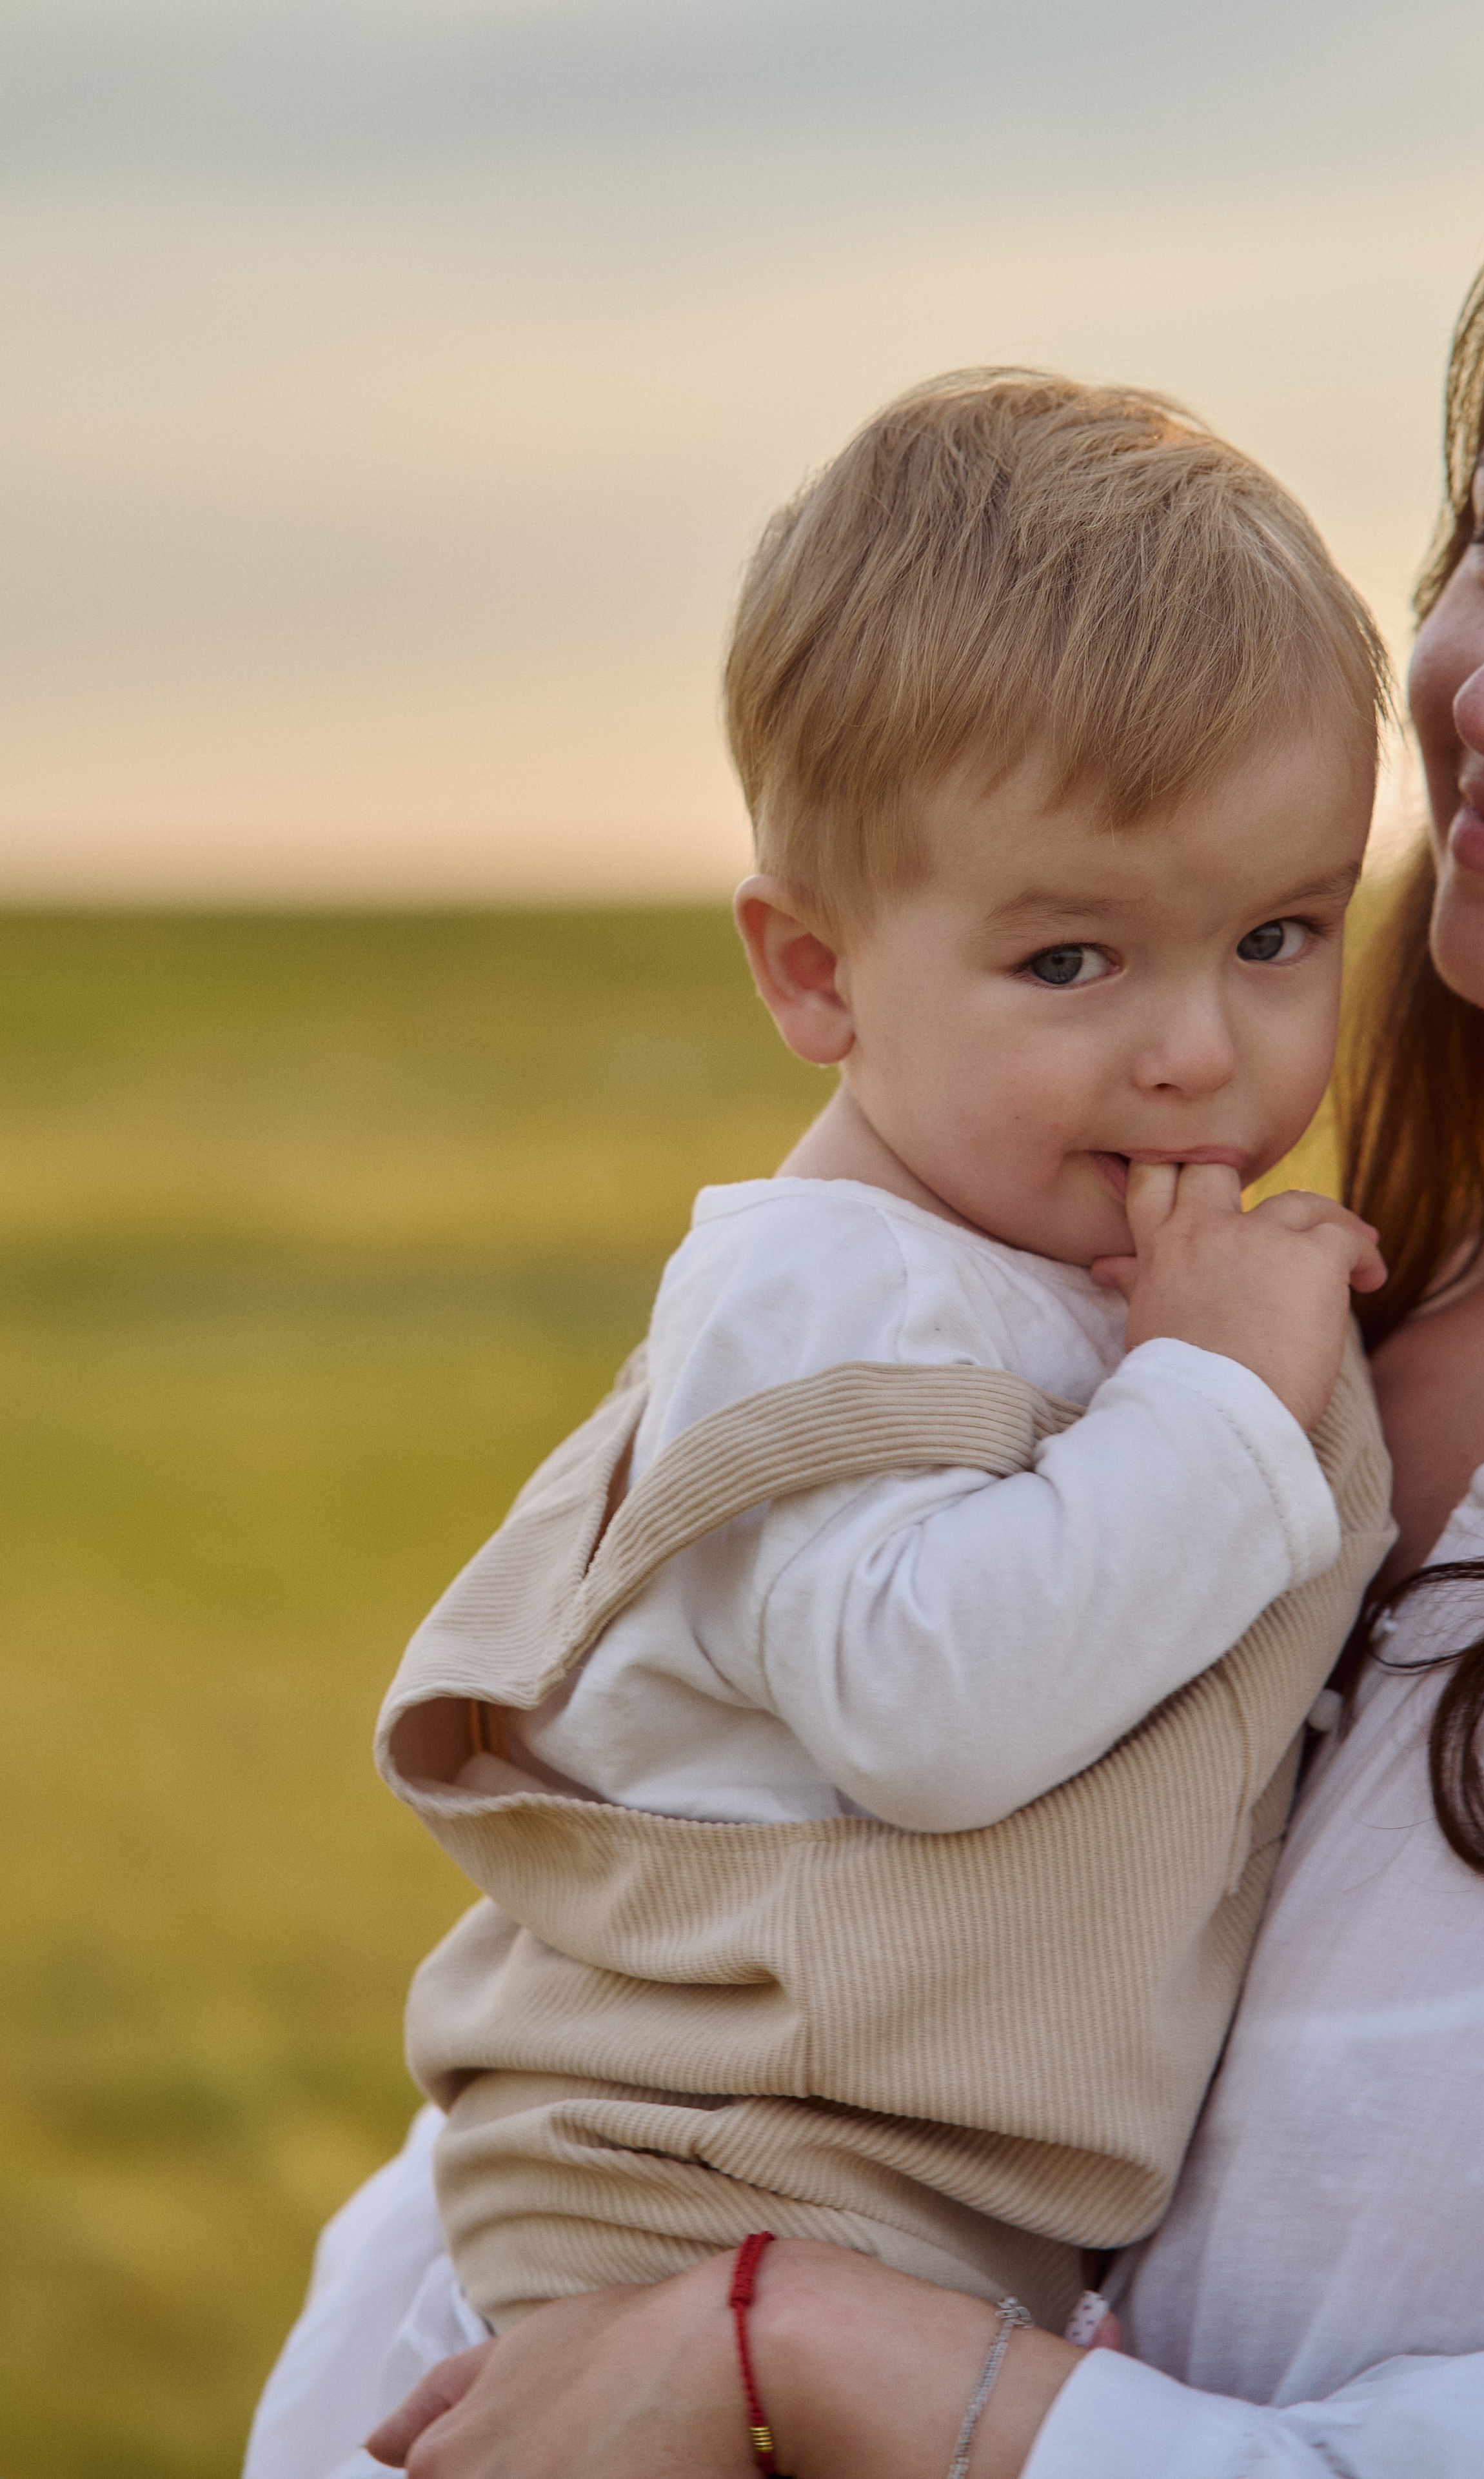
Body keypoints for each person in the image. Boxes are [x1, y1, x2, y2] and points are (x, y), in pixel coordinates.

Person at [353, 104, 1484, 2479]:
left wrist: (830, 2355)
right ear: (814, 971)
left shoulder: (1197, 1339)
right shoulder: (1124, 1319)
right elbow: (668, 1980)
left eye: (1270, 934)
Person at [246, 373, 1396, 2474]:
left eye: (1278, 935)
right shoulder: (827, 1286)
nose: (1200, 1049)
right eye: (1071, 957)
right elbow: (926, 1699)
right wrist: (1223, 1399)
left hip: (883, 2227)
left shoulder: (1070, 1263)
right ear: (816, 975)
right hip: (685, 2197)